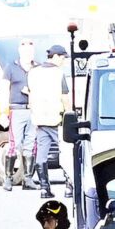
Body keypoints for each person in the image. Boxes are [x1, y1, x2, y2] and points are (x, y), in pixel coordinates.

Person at [27, 45, 70, 199]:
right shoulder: (58, 73)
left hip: (39, 119)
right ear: (57, 56)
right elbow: (64, 96)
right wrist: (69, 114)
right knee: (67, 153)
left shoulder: (33, 72)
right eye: (63, 58)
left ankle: (44, 188)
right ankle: (69, 186)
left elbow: (30, 95)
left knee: (41, 155)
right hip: (56, 119)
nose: (64, 61)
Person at [4, 40, 37, 191]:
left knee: (31, 143)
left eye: (30, 51)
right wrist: (4, 109)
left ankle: (28, 178)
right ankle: (8, 178)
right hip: (16, 109)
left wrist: (31, 93)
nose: (28, 54)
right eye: (25, 51)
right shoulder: (11, 67)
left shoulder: (38, 68)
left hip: (33, 109)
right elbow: (5, 89)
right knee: (14, 144)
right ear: (19, 51)